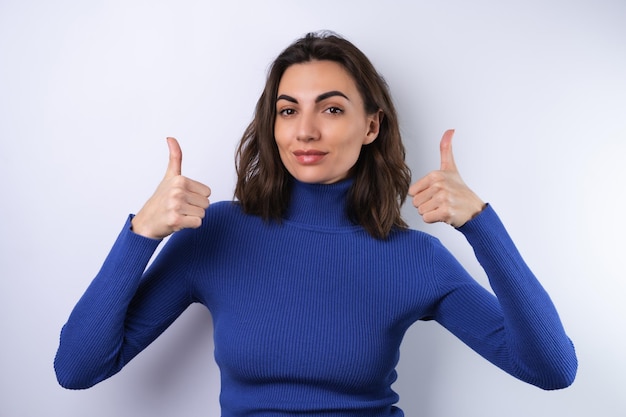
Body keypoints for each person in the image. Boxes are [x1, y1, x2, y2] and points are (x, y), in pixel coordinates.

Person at [54, 31, 577, 416]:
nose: (305, 131)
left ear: (370, 126)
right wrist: (139, 237)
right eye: (288, 111)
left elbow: (551, 371)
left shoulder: (415, 258)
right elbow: (77, 370)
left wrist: (483, 227)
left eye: (330, 110)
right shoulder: (217, 234)